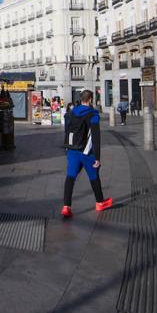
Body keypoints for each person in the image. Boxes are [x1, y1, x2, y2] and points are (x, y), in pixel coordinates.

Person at [60, 90, 113, 218]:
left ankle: (66, 206)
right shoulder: (92, 114)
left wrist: (68, 150)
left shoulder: (71, 113)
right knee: (94, 176)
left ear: (81, 99)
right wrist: (98, 158)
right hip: (87, 153)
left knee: (70, 178)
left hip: (72, 151)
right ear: (90, 100)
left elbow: (67, 132)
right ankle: (100, 202)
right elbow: (96, 137)